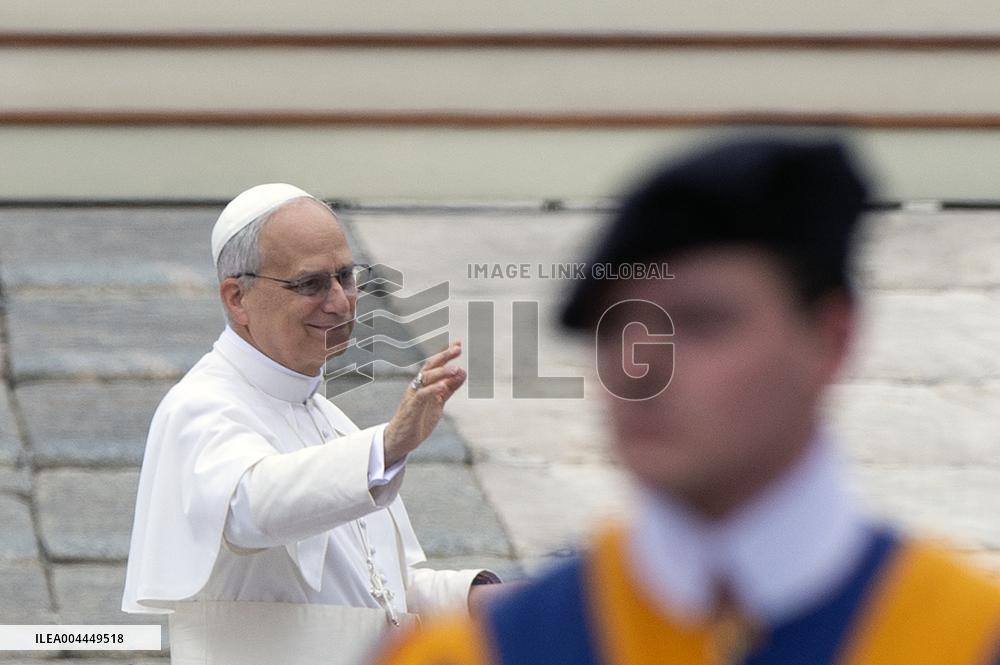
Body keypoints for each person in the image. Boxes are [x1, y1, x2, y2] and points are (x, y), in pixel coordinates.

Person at [376, 138, 1000, 665]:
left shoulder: (968, 637)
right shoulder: (469, 654)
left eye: (702, 324)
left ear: (831, 339)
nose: (639, 371)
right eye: (615, 328)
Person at [122, 183, 499, 665]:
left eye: (346, 276)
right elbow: (252, 507)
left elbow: (383, 597)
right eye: (312, 284)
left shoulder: (332, 420)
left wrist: (476, 597)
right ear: (238, 298)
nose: (341, 302)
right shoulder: (201, 406)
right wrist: (386, 445)